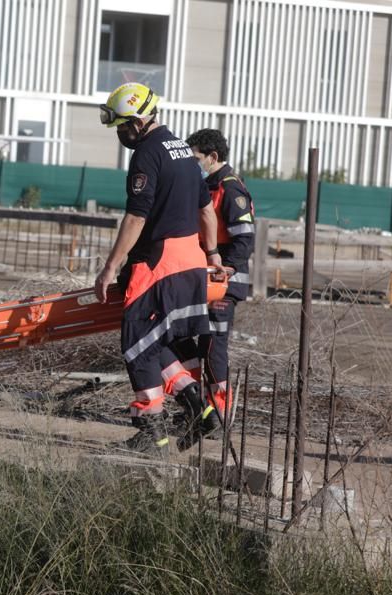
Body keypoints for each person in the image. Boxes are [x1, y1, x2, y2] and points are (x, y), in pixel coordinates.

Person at [94, 83, 222, 457]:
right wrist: (212, 255)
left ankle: (151, 430)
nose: (119, 134)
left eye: (120, 126)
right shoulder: (183, 149)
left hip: (159, 264)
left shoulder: (147, 154)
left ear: (136, 122)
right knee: (159, 340)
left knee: (137, 343)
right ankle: (200, 409)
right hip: (192, 262)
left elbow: (137, 216)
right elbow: (206, 211)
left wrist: (109, 268)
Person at [182, 128, 256, 437]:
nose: (191, 163)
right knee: (186, 339)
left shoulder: (230, 190)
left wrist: (224, 271)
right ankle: (198, 407)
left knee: (213, 345)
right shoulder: (206, 186)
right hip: (205, 280)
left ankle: (219, 411)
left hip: (225, 282)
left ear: (213, 157)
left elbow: (244, 240)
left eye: (196, 158)